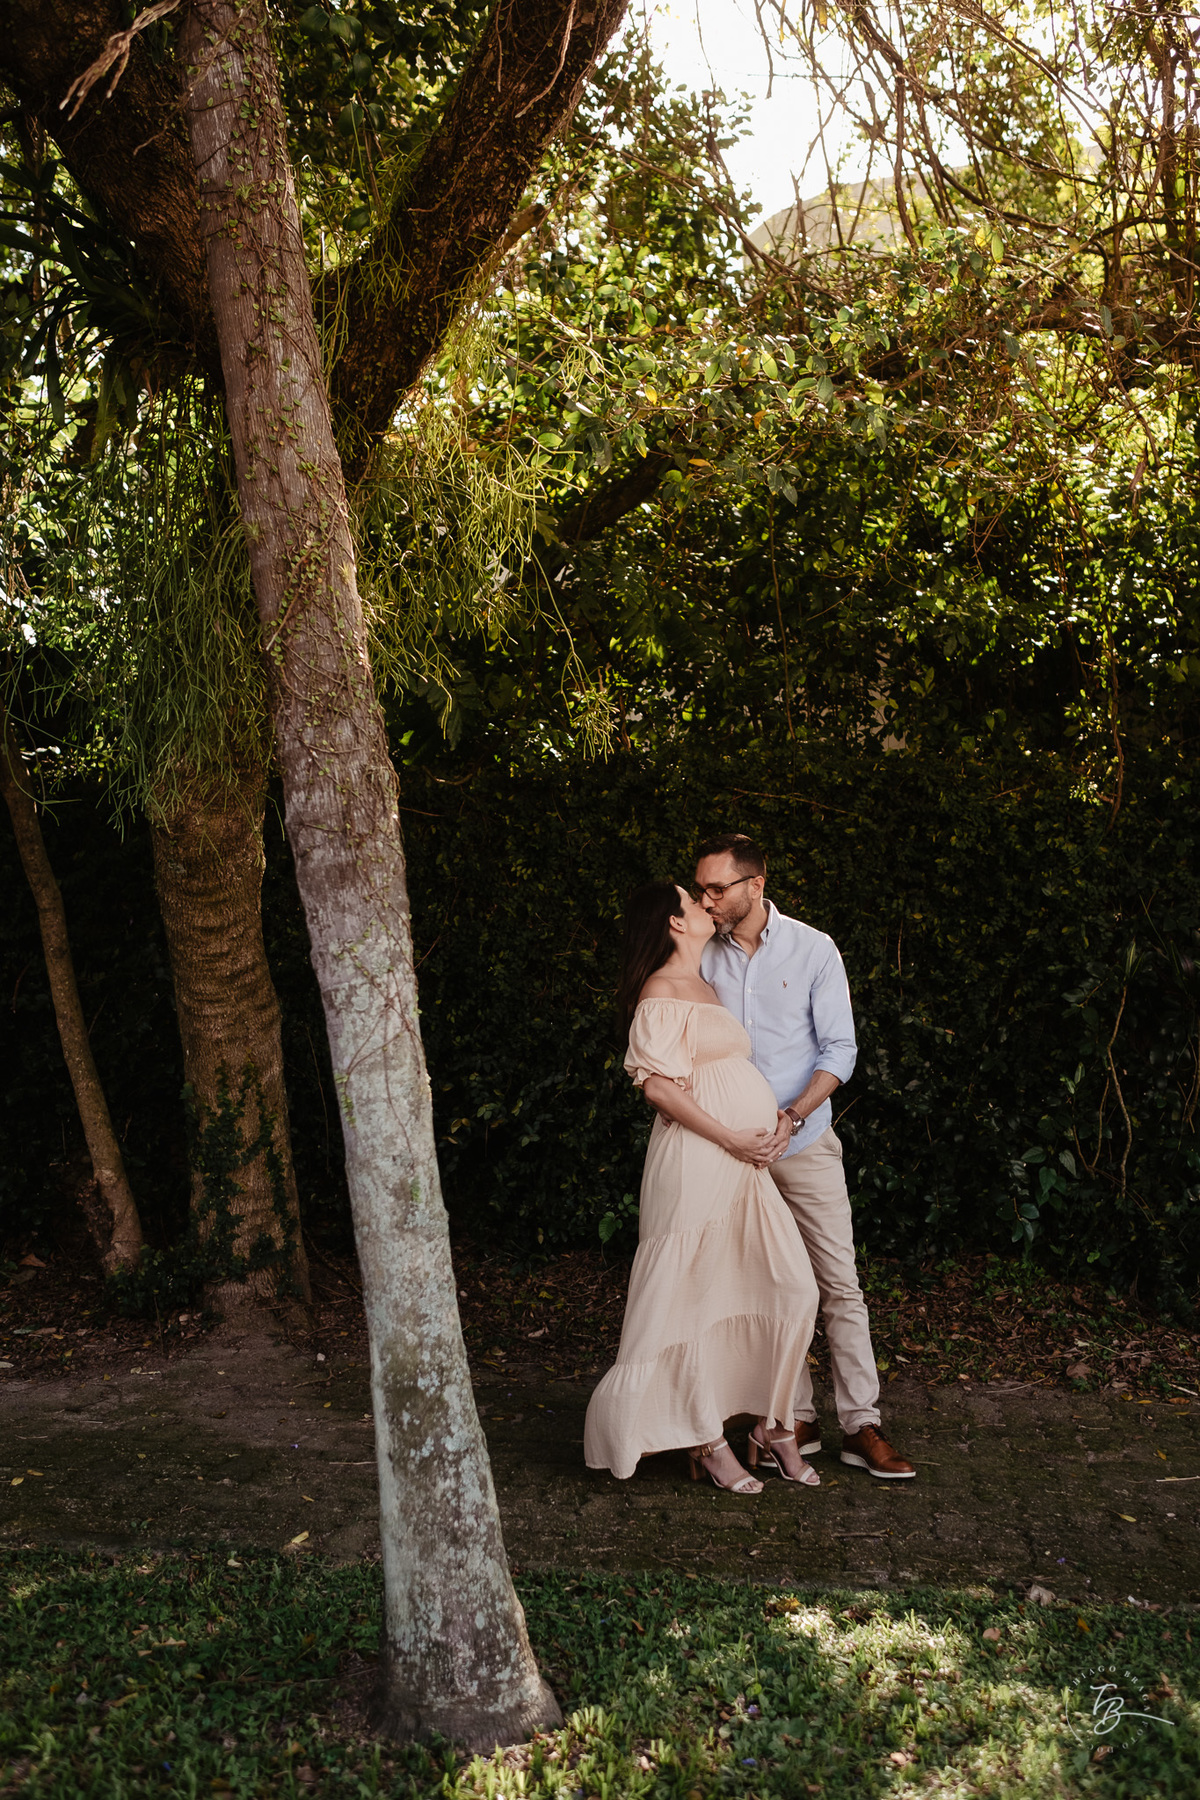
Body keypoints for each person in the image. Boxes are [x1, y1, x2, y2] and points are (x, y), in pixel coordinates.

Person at [584, 881, 821, 1493]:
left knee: (792, 1286)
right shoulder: (660, 989)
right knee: (685, 1300)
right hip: (699, 1160)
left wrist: (764, 1131)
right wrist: (732, 1137)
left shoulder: (708, 984)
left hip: (742, 1164)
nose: (707, 906)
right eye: (696, 902)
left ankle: (773, 1424)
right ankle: (706, 1440)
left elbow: (718, 1071)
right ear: (674, 921)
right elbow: (659, 1088)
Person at [694, 833, 916, 1481]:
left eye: (718, 888)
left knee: (838, 1285)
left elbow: (839, 1052)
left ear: (756, 885)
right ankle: (790, 1418)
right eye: (702, 887)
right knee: (765, 1288)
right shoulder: (700, 956)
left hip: (805, 1141)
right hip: (732, 1151)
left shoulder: (814, 948)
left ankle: (861, 1424)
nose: (707, 899)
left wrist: (789, 1118)